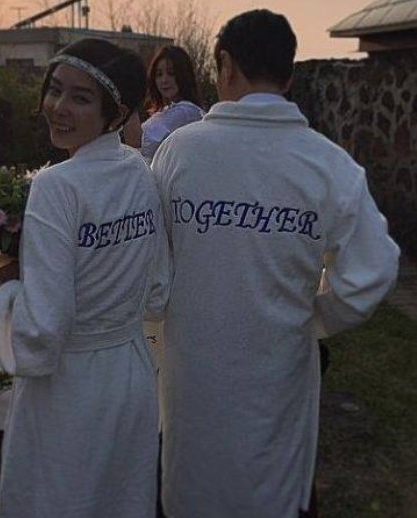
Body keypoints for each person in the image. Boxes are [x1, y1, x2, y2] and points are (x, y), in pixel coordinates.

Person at [151, 9, 400, 518]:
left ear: (225, 64)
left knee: (196, 490)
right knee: (272, 492)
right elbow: (372, 272)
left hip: (194, 373)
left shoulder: (179, 152)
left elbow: (152, 269)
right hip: (279, 369)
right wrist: (312, 318)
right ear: (288, 77)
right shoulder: (327, 164)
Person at [0, 38, 170, 518]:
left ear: (117, 113)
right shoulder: (140, 172)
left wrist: (7, 288)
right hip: (131, 379)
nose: (58, 107)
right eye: (55, 90)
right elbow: (157, 291)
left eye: (81, 97)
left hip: (68, 391)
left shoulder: (55, 187)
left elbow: (41, 336)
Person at [125, 45, 204, 162]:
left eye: (171, 73)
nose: (164, 80)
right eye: (159, 74)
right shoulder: (169, 110)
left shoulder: (186, 112)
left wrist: (129, 95)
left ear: (184, 75)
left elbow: (137, 141)